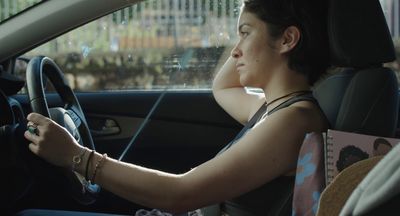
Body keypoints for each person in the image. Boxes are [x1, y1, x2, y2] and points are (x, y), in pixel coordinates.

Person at [23, 0, 330, 215]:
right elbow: (222, 87)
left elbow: (180, 195)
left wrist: (77, 157)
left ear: (288, 38)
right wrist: (246, 22)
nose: (235, 51)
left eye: (246, 33)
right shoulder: (270, 108)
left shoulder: (295, 120)